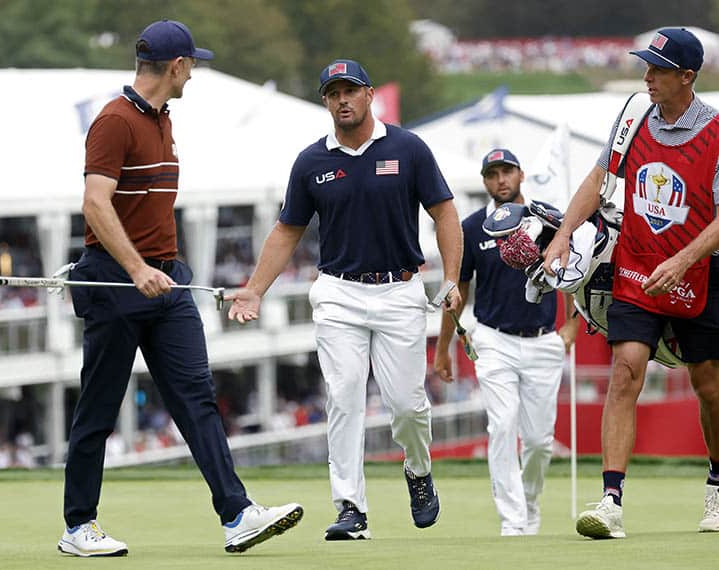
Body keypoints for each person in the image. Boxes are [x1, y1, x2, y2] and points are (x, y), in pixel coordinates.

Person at [58, 20, 303, 557]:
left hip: (168, 281)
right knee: (98, 410)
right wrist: (135, 268)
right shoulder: (113, 121)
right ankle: (78, 526)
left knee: (196, 398)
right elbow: (95, 204)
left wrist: (155, 270)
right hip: (114, 280)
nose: (194, 72)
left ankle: (236, 514)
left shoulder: (164, 120)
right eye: (192, 63)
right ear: (176, 67)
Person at [226, 59, 463, 540]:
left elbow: (445, 213)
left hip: (399, 290)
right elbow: (286, 230)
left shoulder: (408, 148)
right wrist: (254, 288)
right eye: (333, 93)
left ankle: (418, 471)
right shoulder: (311, 162)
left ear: (369, 94)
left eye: (350, 90)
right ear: (325, 101)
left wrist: (453, 278)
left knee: (406, 404)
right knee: (344, 397)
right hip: (337, 293)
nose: (343, 100)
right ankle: (351, 508)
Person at [542, 27, 719, 539]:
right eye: (646, 67)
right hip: (637, 266)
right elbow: (599, 181)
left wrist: (684, 260)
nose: (647, 77)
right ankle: (611, 500)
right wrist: (563, 234)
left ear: (687, 76)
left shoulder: (716, 131)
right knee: (625, 369)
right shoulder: (634, 118)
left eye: (658, 70)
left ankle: (716, 484)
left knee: (709, 385)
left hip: (701, 271)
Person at [433, 149, 578, 536]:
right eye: (493, 173)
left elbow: (571, 271)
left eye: (507, 171)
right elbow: (457, 289)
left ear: (520, 174)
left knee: (538, 441)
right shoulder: (472, 227)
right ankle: (513, 521)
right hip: (494, 340)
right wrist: (444, 347)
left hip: (543, 341)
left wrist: (573, 326)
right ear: (484, 181)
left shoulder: (547, 219)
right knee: (502, 426)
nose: (501, 179)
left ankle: (529, 505)